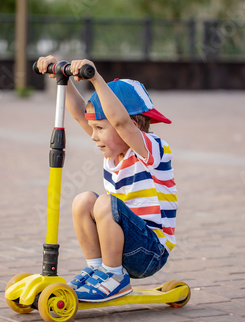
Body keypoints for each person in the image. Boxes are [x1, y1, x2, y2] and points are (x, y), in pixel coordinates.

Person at [37, 56, 177, 303]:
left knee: (104, 202)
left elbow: (121, 122)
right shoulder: (113, 151)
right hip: (123, 245)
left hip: (149, 251)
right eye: (94, 129)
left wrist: (95, 78)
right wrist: (62, 75)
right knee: (83, 201)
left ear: (131, 125)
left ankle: (114, 278)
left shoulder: (151, 149)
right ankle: (97, 269)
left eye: (100, 129)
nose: (93, 136)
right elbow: (81, 115)